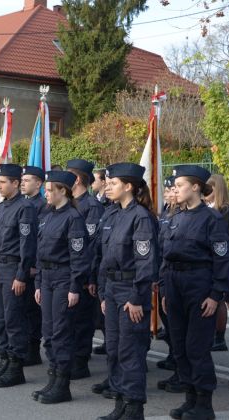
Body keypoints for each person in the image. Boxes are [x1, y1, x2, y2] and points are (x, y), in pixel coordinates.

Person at [161, 165, 229, 420]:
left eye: (179, 185)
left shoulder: (211, 219)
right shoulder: (176, 217)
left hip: (199, 283)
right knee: (179, 345)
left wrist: (215, 294)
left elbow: (222, 259)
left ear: (196, 187)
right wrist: (167, 290)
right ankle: (190, 399)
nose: (175, 190)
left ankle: (204, 403)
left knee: (196, 347)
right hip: (175, 282)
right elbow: (166, 255)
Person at [95, 163, 159, 420]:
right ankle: (120, 403)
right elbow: (104, 258)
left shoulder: (140, 217)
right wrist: (102, 292)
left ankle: (133, 408)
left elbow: (146, 263)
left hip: (130, 290)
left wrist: (137, 298)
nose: (108, 186)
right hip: (111, 289)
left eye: (113, 183)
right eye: (107, 182)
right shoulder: (113, 214)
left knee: (130, 351)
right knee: (114, 349)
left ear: (129, 186)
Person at [32, 170, 89, 404]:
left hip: (64, 278)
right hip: (46, 278)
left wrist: (75, 287)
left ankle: (62, 385)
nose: (46, 194)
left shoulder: (73, 218)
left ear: (62, 191)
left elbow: (79, 257)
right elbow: (39, 251)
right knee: (48, 332)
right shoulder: (48, 215)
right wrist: (37, 282)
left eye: (49, 190)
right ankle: (53, 379)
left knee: (61, 334)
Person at [0, 163, 37, 388]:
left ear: (16, 183)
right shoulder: (1, 207)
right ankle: (4, 360)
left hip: (13, 269)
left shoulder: (25, 208)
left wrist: (21, 275)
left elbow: (27, 245)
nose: (0, 186)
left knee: (14, 320)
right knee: (0, 320)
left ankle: (16, 366)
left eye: (3, 182)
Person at [67, 159, 106, 380]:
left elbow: (91, 245)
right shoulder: (70, 204)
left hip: (83, 273)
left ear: (78, 180)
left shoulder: (91, 207)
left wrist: (89, 276)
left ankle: (80, 361)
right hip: (68, 272)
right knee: (70, 320)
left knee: (82, 320)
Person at [155, 176, 184, 394]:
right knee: (171, 322)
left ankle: (180, 365)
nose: (168, 193)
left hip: (182, 277)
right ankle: (175, 359)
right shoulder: (167, 213)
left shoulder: (182, 215)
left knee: (180, 328)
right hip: (165, 274)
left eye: (172, 189)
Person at [205, 173, 229, 352]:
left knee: (219, 300)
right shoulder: (208, 208)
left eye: (209, 189)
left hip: (220, 260)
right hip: (208, 261)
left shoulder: (225, 210)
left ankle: (219, 337)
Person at [21, 165, 47, 366]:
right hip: (23, 265)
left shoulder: (43, 206)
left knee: (32, 310)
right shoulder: (24, 204)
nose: (23, 182)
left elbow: (39, 240)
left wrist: (34, 266)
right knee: (23, 309)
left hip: (34, 267)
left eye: (27, 179)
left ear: (38, 183)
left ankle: (33, 348)